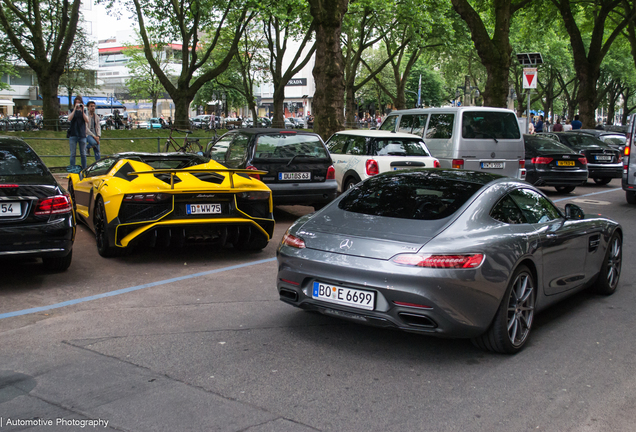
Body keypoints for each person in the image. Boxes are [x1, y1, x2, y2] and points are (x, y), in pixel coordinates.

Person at [67, 96, 89, 169]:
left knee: (83, 153)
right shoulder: (71, 110)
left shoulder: (85, 111)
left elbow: (87, 120)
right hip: (73, 134)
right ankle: (72, 169)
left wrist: (82, 110)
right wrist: (74, 109)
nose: (78, 104)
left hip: (82, 134)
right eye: (76, 103)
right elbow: (69, 118)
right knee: (73, 153)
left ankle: (84, 168)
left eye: (79, 103)